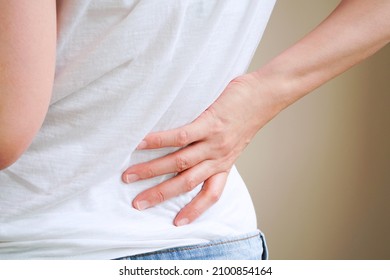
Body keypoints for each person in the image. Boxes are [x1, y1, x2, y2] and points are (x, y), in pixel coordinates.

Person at [0, 0, 389, 260]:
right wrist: (264, 94)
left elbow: (7, 132)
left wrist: (262, 96)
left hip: (38, 242)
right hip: (208, 240)